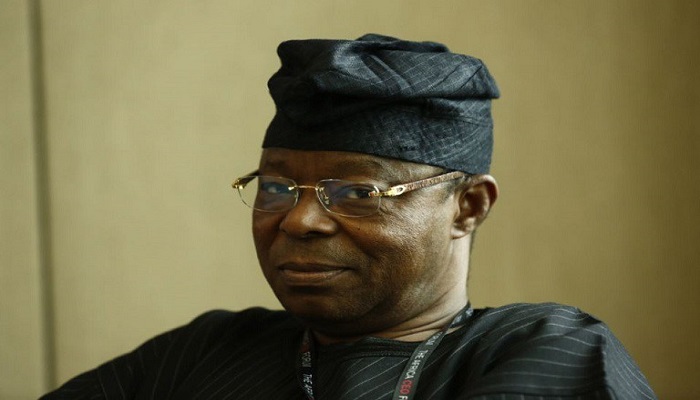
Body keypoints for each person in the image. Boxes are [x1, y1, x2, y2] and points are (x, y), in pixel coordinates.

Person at [41, 34, 657, 400]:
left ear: (467, 207)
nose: (300, 220)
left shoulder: (543, 352)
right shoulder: (204, 353)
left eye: (358, 190)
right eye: (278, 186)